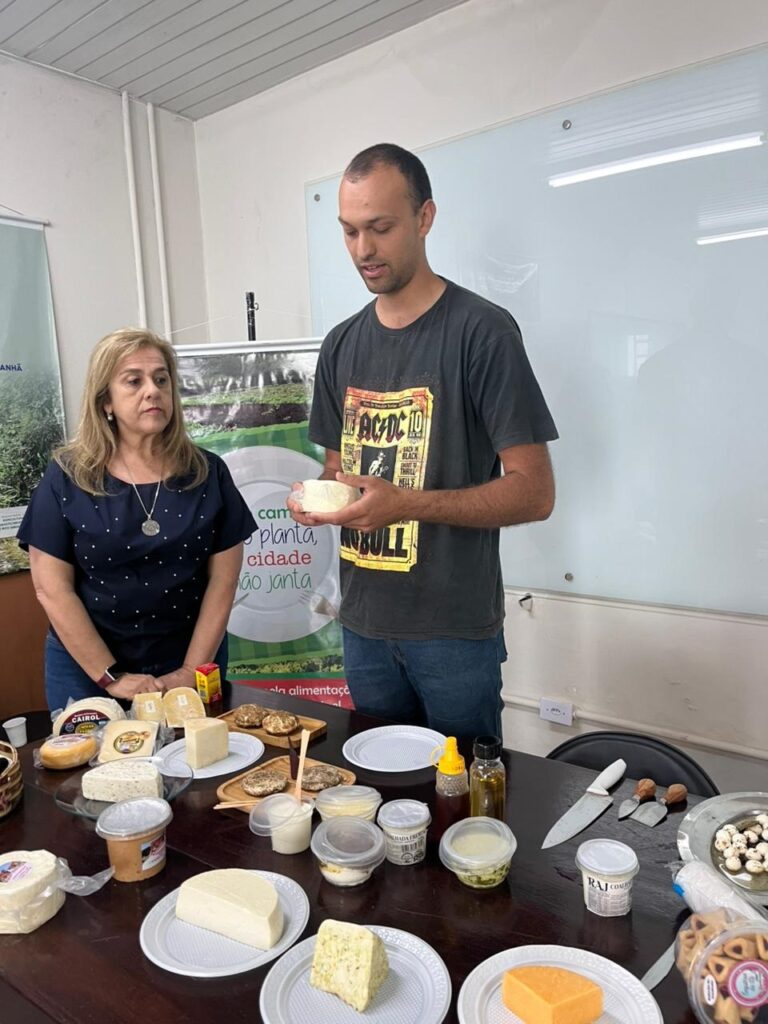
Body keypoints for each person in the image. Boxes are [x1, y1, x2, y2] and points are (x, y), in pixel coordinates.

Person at [288, 143, 558, 740]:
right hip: (362, 627)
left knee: (465, 812)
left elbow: (535, 493)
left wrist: (404, 502)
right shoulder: (341, 344)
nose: (363, 250)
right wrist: (321, 498)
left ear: (425, 218)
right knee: (383, 808)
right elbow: (339, 469)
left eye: (380, 228)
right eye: (350, 231)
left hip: (453, 634)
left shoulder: (482, 332)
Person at [18, 328, 256, 710]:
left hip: (191, 658)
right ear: (106, 401)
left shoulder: (208, 472)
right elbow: (51, 589)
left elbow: (223, 582)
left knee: (202, 764)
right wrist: (111, 677)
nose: (153, 390)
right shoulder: (68, 476)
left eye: (161, 379)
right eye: (134, 381)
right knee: (91, 768)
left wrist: (190, 671)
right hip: (87, 666)